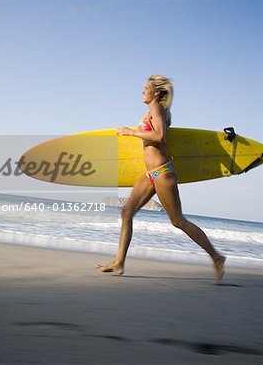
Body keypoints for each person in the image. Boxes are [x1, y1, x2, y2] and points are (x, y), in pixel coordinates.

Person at [96, 75, 226, 284]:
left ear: (156, 92)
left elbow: (160, 136)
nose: (142, 91)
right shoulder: (152, 111)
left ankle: (216, 257)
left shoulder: (157, 108)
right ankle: (119, 262)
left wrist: (130, 132)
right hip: (151, 174)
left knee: (178, 221)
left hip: (163, 173)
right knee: (126, 212)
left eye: (146, 88)